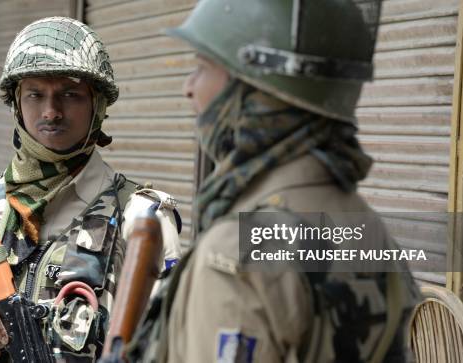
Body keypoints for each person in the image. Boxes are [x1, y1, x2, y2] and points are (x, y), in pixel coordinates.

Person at [126, 1, 421, 362]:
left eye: (203, 67)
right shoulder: (372, 229)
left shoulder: (236, 252)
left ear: (257, 92)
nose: (189, 88)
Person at [0, 16, 181, 363]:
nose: (51, 111)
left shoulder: (140, 217)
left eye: (70, 94)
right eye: (35, 94)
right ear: (17, 103)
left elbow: (171, 349)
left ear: (98, 107)